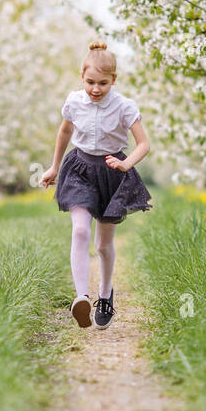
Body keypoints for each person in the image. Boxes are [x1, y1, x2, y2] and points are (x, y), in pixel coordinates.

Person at [40, 40, 153, 329]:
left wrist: (126, 164)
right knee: (79, 229)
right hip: (78, 168)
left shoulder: (124, 106)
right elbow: (65, 131)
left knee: (103, 244)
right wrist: (54, 166)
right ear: (81, 76)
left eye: (103, 83)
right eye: (90, 82)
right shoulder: (74, 101)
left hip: (111, 173)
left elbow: (144, 144)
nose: (95, 89)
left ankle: (105, 293)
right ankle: (81, 297)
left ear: (113, 80)